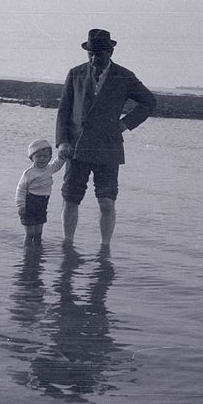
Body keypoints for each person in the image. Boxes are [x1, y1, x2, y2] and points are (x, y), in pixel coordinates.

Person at [55, 29, 156, 247]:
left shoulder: (125, 76)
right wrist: (62, 141)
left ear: (110, 52)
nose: (93, 58)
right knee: (70, 199)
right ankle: (67, 244)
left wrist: (125, 124)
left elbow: (149, 101)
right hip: (77, 147)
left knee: (106, 202)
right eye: (90, 54)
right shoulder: (75, 73)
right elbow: (63, 111)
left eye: (98, 54)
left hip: (108, 148)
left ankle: (104, 249)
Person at [15, 139, 67, 246]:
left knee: (38, 232)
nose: (42, 159)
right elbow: (20, 190)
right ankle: (27, 253)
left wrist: (62, 156)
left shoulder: (49, 169)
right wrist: (21, 206)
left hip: (42, 203)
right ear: (32, 158)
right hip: (29, 203)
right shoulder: (28, 173)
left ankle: (38, 250)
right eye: (38, 156)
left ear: (49, 157)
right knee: (30, 233)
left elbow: (58, 164)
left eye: (45, 156)